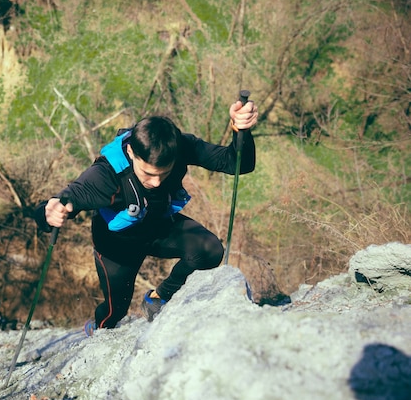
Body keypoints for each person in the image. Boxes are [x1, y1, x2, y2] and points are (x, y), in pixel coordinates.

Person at [33, 99, 258, 334]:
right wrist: (49, 211)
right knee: (114, 312)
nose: (156, 182)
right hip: (116, 245)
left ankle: (159, 297)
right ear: (131, 152)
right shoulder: (106, 175)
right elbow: (66, 199)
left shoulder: (180, 146)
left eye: (164, 173)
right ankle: (96, 328)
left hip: (158, 227)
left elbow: (237, 163)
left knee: (210, 251)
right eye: (148, 173)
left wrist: (241, 130)